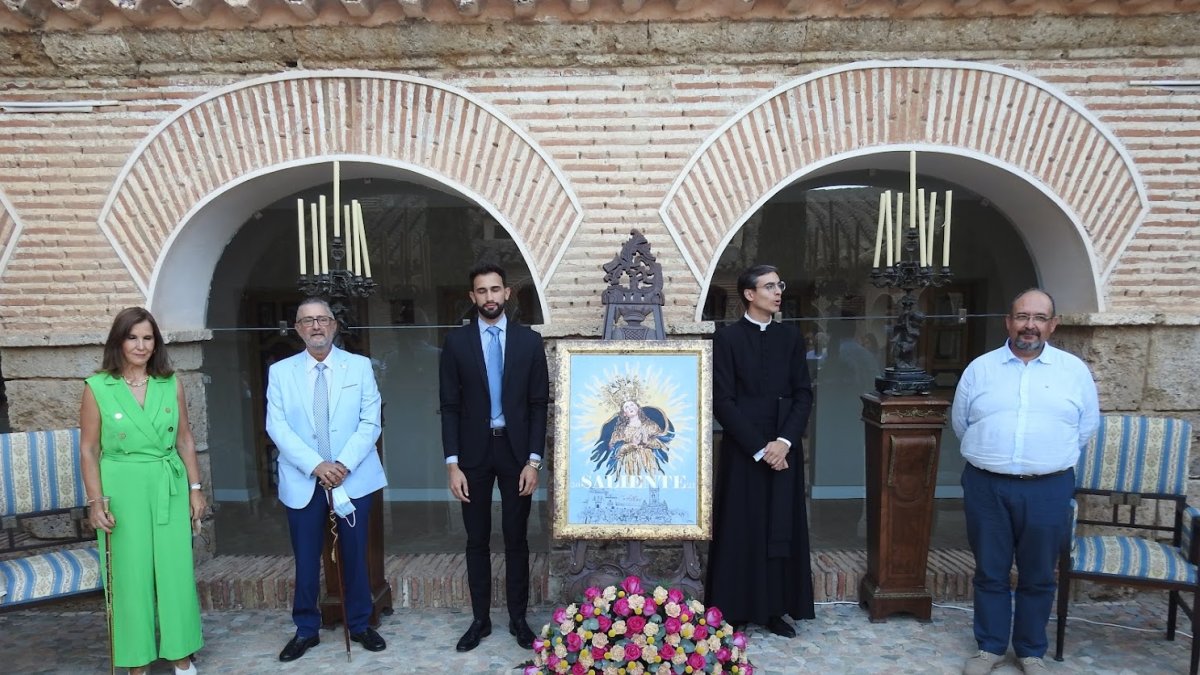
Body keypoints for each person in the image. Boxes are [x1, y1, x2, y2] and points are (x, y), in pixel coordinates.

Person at [952, 288, 1099, 675]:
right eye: (1021, 317)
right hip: (987, 485)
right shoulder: (979, 369)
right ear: (1008, 322)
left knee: (1038, 572)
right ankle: (990, 647)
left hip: (1048, 487)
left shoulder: (1074, 372)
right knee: (990, 570)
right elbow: (962, 423)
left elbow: (1085, 427)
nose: (1029, 325)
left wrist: (1044, 458)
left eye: (1038, 318)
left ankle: (1031, 651)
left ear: (1053, 325)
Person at [80, 307, 205, 675]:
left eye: (148, 338)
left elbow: (184, 439)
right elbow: (88, 449)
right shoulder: (97, 386)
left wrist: (195, 489)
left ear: (156, 343)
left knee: (175, 571)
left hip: (168, 484)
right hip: (122, 487)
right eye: (133, 337)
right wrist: (95, 501)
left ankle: (181, 656)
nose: (141, 345)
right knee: (130, 575)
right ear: (119, 341)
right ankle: (136, 662)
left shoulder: (171, 382)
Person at [266, 298, 388, 661]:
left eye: (322, 320)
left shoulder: (360, 367)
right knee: (305, 560)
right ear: (298, 328)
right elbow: (277, 427)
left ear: (334, 326)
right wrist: (317, 465)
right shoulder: (281, 372)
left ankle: (361, 623)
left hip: (353, 479)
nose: (316, 326)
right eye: (307, 321)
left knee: (354, 554)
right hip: (304, 481)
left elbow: (371, 422)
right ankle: (306, 629)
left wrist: (342, 464)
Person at [439, 262, 549, 652]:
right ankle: (480, 620)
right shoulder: (455, 343)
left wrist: (534, 461)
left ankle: (519, 619)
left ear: (507, 294)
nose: (489, 297)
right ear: (473, 297)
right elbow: (449, 406)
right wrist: (452, 464)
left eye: (495, 290)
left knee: (517, 539)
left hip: (517, 454)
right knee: (476, 539)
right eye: (482, 291)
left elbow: (539, 405)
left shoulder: (529, 342)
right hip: (472, 456)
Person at [705, 264, 815, 638]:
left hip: (784, 450)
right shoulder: (728, 339)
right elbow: (722, 400)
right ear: (749, 294)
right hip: (744, 452)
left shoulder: (791, 338)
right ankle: (734, 608)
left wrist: (783, 443)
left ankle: (774, 609)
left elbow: (803, 393)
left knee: (779, 528)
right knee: (742, 528)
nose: (777, 291)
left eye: (779, 284)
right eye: (769, 286)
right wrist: (758, 447)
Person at [588, 397, 675, 479]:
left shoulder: (650, 425)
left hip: (649, 461)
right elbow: (613, 448)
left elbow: (659, 443)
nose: (630, 408)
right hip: (627, 463)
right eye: (626, 407)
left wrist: (646, 442)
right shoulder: (620, 430)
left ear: (638, 408)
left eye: (632, 405)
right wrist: (629, 446)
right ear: (624, 413)